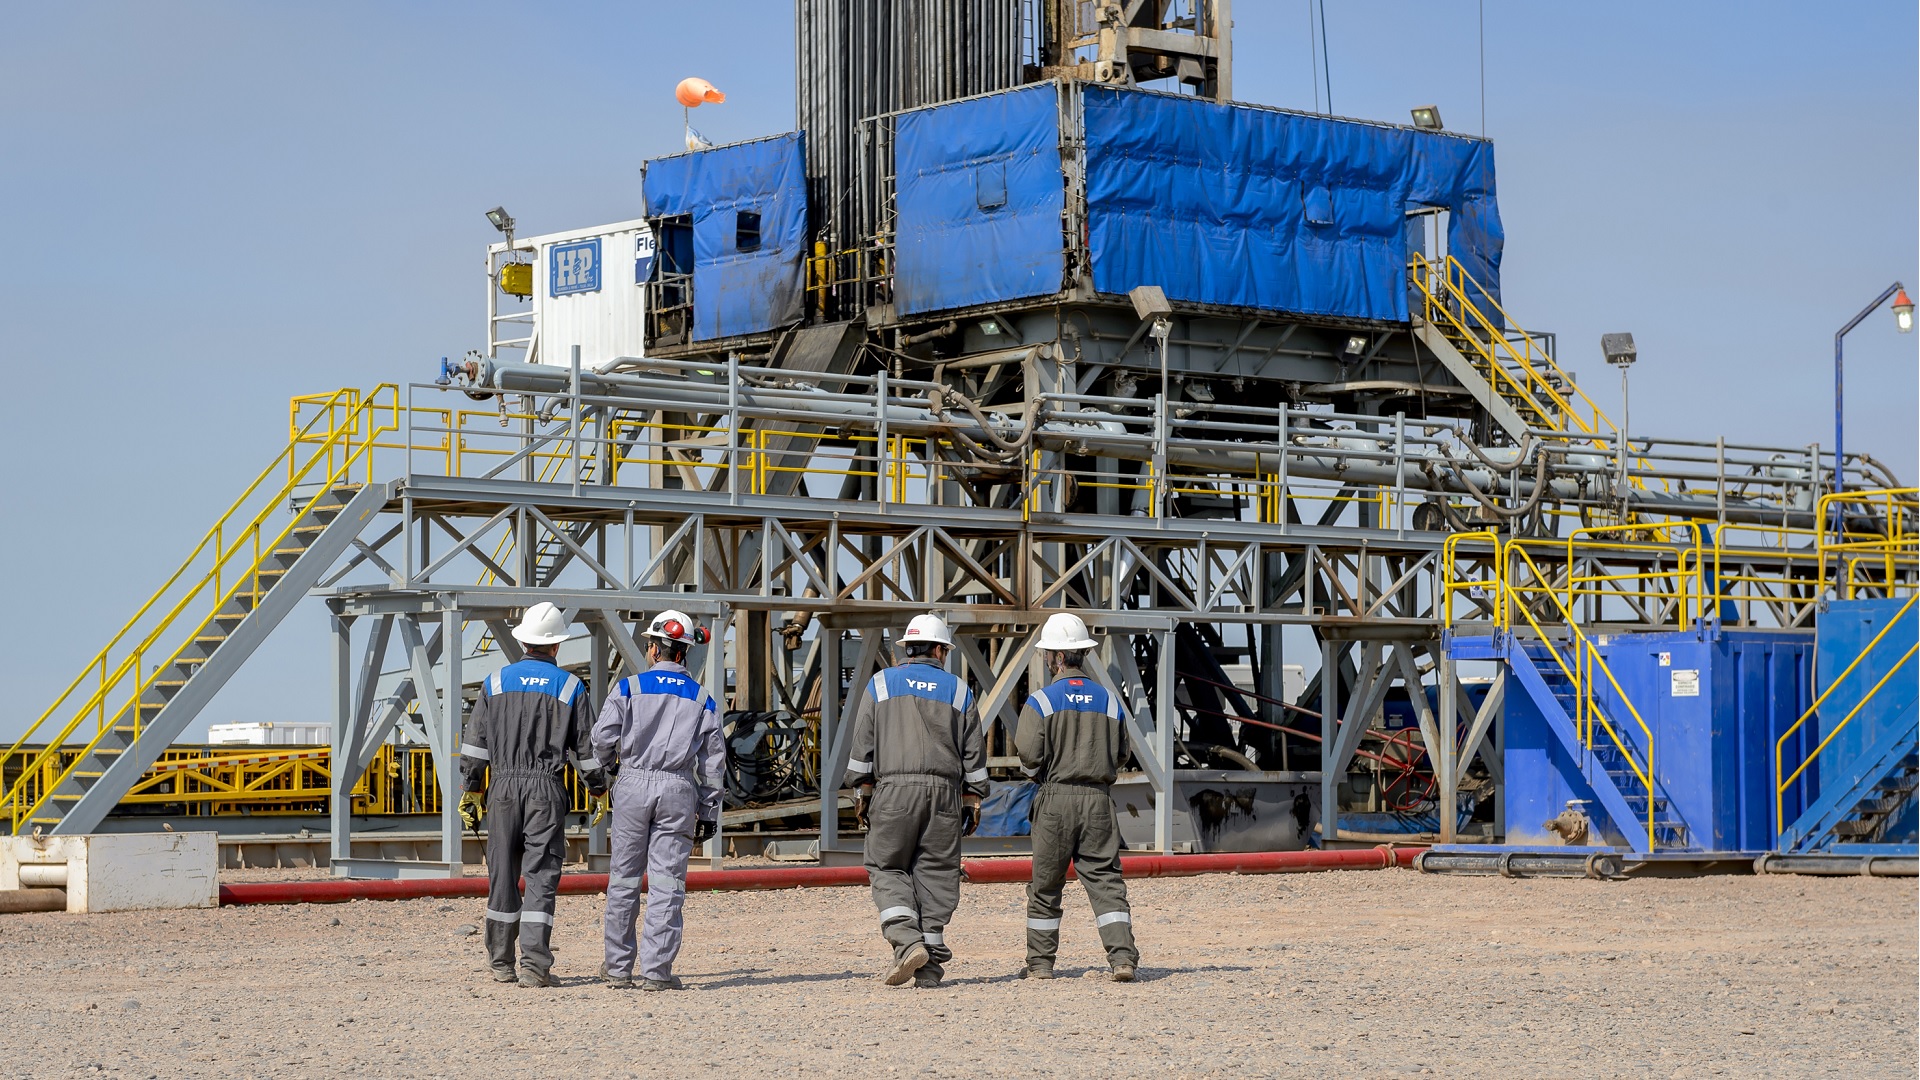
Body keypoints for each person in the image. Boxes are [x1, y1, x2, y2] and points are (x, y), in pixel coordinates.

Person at [458, 601, 607, 988]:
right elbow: (587, 751)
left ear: (523, 640)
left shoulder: (494, 683)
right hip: (545, 789)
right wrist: (598, 790)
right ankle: (535, 967)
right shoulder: (571, 687)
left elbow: (475, 747)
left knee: (502, 876)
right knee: (541, 876)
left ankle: (501, 963)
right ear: (556, 646)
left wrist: (471, 789)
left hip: (503, 788)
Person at [845, 613, 989, 989]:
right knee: (937, 871)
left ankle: (907, 943)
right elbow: (974, 754)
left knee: (887, 865)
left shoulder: (882, 683)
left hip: (893, 790)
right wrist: (972, 798)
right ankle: (929, 966)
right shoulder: (959, 690)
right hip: (944, 794)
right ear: (941, 650)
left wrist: (862, 790)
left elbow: (862, 747)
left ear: (907, 648)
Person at [593, 609, 723, 991]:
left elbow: (601, 741)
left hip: (633, 784)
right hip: (677, 789)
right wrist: (709, 809)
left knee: (623, 879)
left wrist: (607, 776)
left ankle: (618, 969)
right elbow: (713, 763)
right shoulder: (703, 699)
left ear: (653, 649)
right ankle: (656, 973)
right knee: (667, 883)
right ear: (683, 652)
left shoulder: (627, 688)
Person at [1014, 611, 1139, 982]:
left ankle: (1039, 966)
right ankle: (1122, 960)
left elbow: (1028, 755)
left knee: (1046, 884)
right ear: (1082, 654)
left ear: (1054, 657)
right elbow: (1122, 754)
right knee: (1105, 881)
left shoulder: (1042, 701)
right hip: (1098, 802)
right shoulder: (1110, 701)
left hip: (1056, 799)